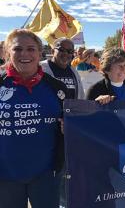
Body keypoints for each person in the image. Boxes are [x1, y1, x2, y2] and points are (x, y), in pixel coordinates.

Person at [0, 29, 67, 208]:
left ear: (39, 53)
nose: (25, 54)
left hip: (46, 175)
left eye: (31, 49)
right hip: (5, 177)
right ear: (8, 53)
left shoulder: (57, 88)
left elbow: (73, 123)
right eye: (17, 49)